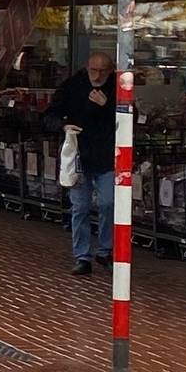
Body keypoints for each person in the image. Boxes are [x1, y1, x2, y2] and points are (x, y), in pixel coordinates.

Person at [49, 51, 121, 277]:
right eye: (93, 70)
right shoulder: (72, 86)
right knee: (79, 206)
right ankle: (82, 256)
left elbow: (131, 117)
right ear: (87, 68)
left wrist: (108, 105)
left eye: (103, 71)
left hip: (107, 155)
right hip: (80, 155)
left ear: (110, 71)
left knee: (108, 202)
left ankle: (105, 249)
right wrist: (64, 127)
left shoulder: (117, 89)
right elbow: (51, 114)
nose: (98, 76)